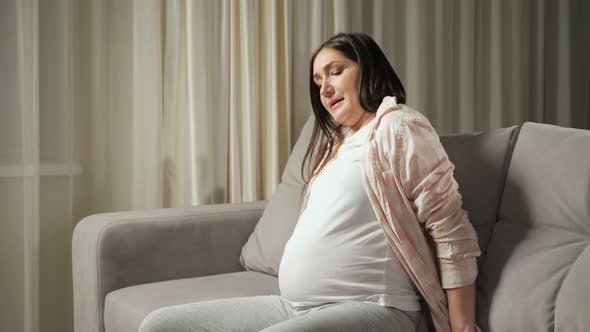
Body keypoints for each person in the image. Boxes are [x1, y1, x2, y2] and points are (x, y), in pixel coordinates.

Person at [139, 32, 481, 332]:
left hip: (376, 308)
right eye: (318, 81)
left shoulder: (399, 126)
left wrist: (462, 325)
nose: (325, 88)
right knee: (159, 325)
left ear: (369, 69)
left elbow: (449, 227)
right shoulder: (336, 146)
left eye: (335, 71)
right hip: (296, 307)